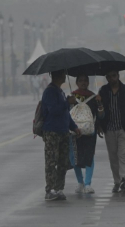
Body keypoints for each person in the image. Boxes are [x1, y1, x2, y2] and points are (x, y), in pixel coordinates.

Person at [96, 71, 125, 193]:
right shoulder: (103, 91)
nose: (112, 78)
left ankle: (123, 179)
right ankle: (117, 182)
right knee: (113, 157)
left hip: (124, 128)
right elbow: (99, 112)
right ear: (106, 78)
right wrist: (99, 125)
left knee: (123, 154)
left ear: (118, 75)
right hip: (109, 129)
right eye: (109, 76)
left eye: (114, 75)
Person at [42, 70, 81, 201]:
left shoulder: (60, 91)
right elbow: (53, 110)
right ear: (57, 76)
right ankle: (50, 189)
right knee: (51, 161)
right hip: (52, 132)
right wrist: (67, 102)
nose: (65, 76)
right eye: (63, 74)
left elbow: (65, 114)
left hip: (64, 132)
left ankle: (59, 188)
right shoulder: (49, 92)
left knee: (63, 162)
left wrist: (74, 127)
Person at [68, 75, 104, 194]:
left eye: (85, 80)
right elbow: (67, 114)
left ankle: (88, 183)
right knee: (75, 157)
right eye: (81, 80)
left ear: (88, 82)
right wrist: (69, 103)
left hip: (90, 132)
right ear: (77, 82)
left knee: (89, 156)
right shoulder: (71, 96)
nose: (83, 82)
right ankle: (80, 182)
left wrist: (99, 103)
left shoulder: (94, 97)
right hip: (74, 132)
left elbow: (100, 116)